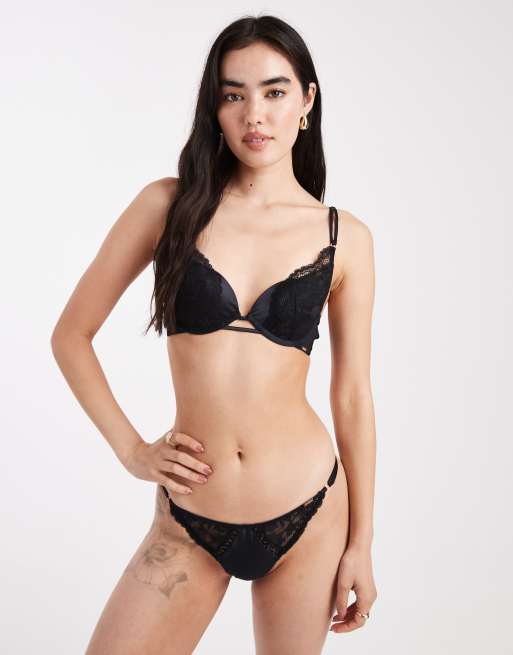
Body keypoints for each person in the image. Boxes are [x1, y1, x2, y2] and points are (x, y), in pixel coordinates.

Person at [51, 14, 377, 655]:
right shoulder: (167, 207)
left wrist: (361, 543)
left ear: (307, 101)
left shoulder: (345, 238)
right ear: (215, 109)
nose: (255, 114)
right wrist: (132, 451)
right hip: (190, 516)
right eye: (234, 95)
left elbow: (353, 398)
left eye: (275, 91)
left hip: (311, 508)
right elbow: (71, 335)